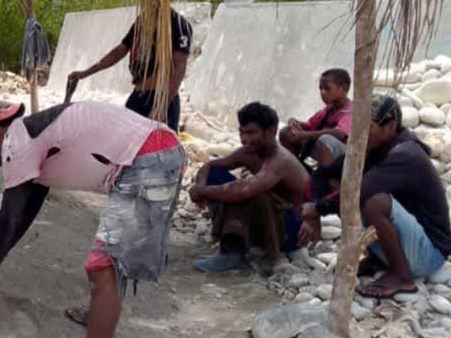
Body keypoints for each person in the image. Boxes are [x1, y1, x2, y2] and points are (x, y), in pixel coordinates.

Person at [0, 102, 185, 338]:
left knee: (103, 267)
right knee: (114, 257)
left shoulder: (17, 139)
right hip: (158, 151)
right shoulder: (35, 138)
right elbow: (24, 212)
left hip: (148, 159)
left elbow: (8, 217)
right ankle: (101, 315)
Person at [303, 95, 450, 298]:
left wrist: (317, 209)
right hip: (410, 240)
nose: (359, 133)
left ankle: (402, 278)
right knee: (336, 182)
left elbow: (359, 192)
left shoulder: (406, 154)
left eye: (368, 127)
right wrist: (314, 206)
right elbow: (323, 173)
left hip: (429, 254)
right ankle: (380, 258)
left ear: (390, 126)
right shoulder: (373, 146)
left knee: (374, 202)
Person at [188, 102, 310, 273]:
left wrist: (201, 191)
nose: (244, 138)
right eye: (241, 132)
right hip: (268, 218)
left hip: (292, 231)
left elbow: (244, 191)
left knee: (246, 192)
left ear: (271, 132)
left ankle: (233, 252)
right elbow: (208, 166)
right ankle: (227, 234)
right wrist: (200, 187)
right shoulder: (248, 152)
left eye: (251, 132)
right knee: (216, 174)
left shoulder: (279, 160)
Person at [67, 6, 192, 131]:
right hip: (137, 97)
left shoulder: (177, 24)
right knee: (126, 142)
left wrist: (161, 108)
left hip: (160, 97)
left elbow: (179, 68)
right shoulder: (142, 22)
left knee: (158, 147)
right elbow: (118, 52)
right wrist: (85, 73)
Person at [279, 68, 352, 168]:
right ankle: (295, 168)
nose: (322, 92)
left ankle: (323, 178)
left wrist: (304, 135)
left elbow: (339, 133)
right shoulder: (329, 109)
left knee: (325, 140)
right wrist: (294, 122)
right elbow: (309, 125)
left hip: (342, 156)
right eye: (320, 88)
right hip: (322, 146)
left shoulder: (351, 110)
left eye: (327, 88)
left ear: (343, 88)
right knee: (286, 132)